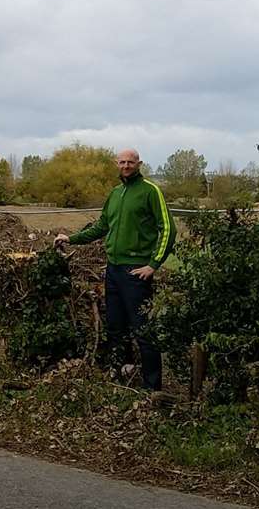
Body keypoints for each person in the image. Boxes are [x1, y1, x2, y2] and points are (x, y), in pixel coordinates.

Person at [54, 148, 175, 390]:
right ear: (116, 163)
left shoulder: (150, 191)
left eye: (131, 162)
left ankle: (153, 388)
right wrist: (72, 239)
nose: (126, 165)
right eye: (122, 162)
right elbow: (101, 226)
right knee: (116, 328)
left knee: (143, 330)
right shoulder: (116, 193)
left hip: (136, 271)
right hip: (114, 270)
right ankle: (120, 378)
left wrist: (153, 265)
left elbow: (168, 229)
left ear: (139, 163)